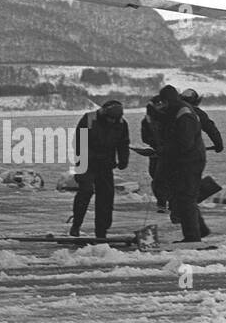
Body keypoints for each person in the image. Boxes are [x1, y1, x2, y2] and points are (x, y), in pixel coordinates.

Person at [70, 100, 129, 239]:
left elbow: (123, 143)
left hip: (106, 165)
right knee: (86, 191)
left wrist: (123, 160)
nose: (111, 121)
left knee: (106, 198)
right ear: (103, 112)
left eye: (114, 119)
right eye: (109, 118)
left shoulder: (121, 123)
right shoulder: (89, 119)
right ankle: (76, 224)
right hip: (86, 162)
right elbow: (78, 142)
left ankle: (101, 231)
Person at [156, 86, 209, 242]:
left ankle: (193, 236)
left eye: (163, 103)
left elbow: (184, 143)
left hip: (190, 161)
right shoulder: (176, 111)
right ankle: (201, 230)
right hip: (184, 160)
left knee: (186, 197)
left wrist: (164, 150)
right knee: (183, 195)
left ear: (168, 101)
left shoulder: (183, 113)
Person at [141, 100, 169, 212]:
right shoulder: (146, 121)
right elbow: (145, 137)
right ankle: (162, 203)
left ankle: (169, 203)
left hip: (169, 153)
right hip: (155, 153)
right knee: (157, 178)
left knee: (167, 178)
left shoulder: (170, 118)